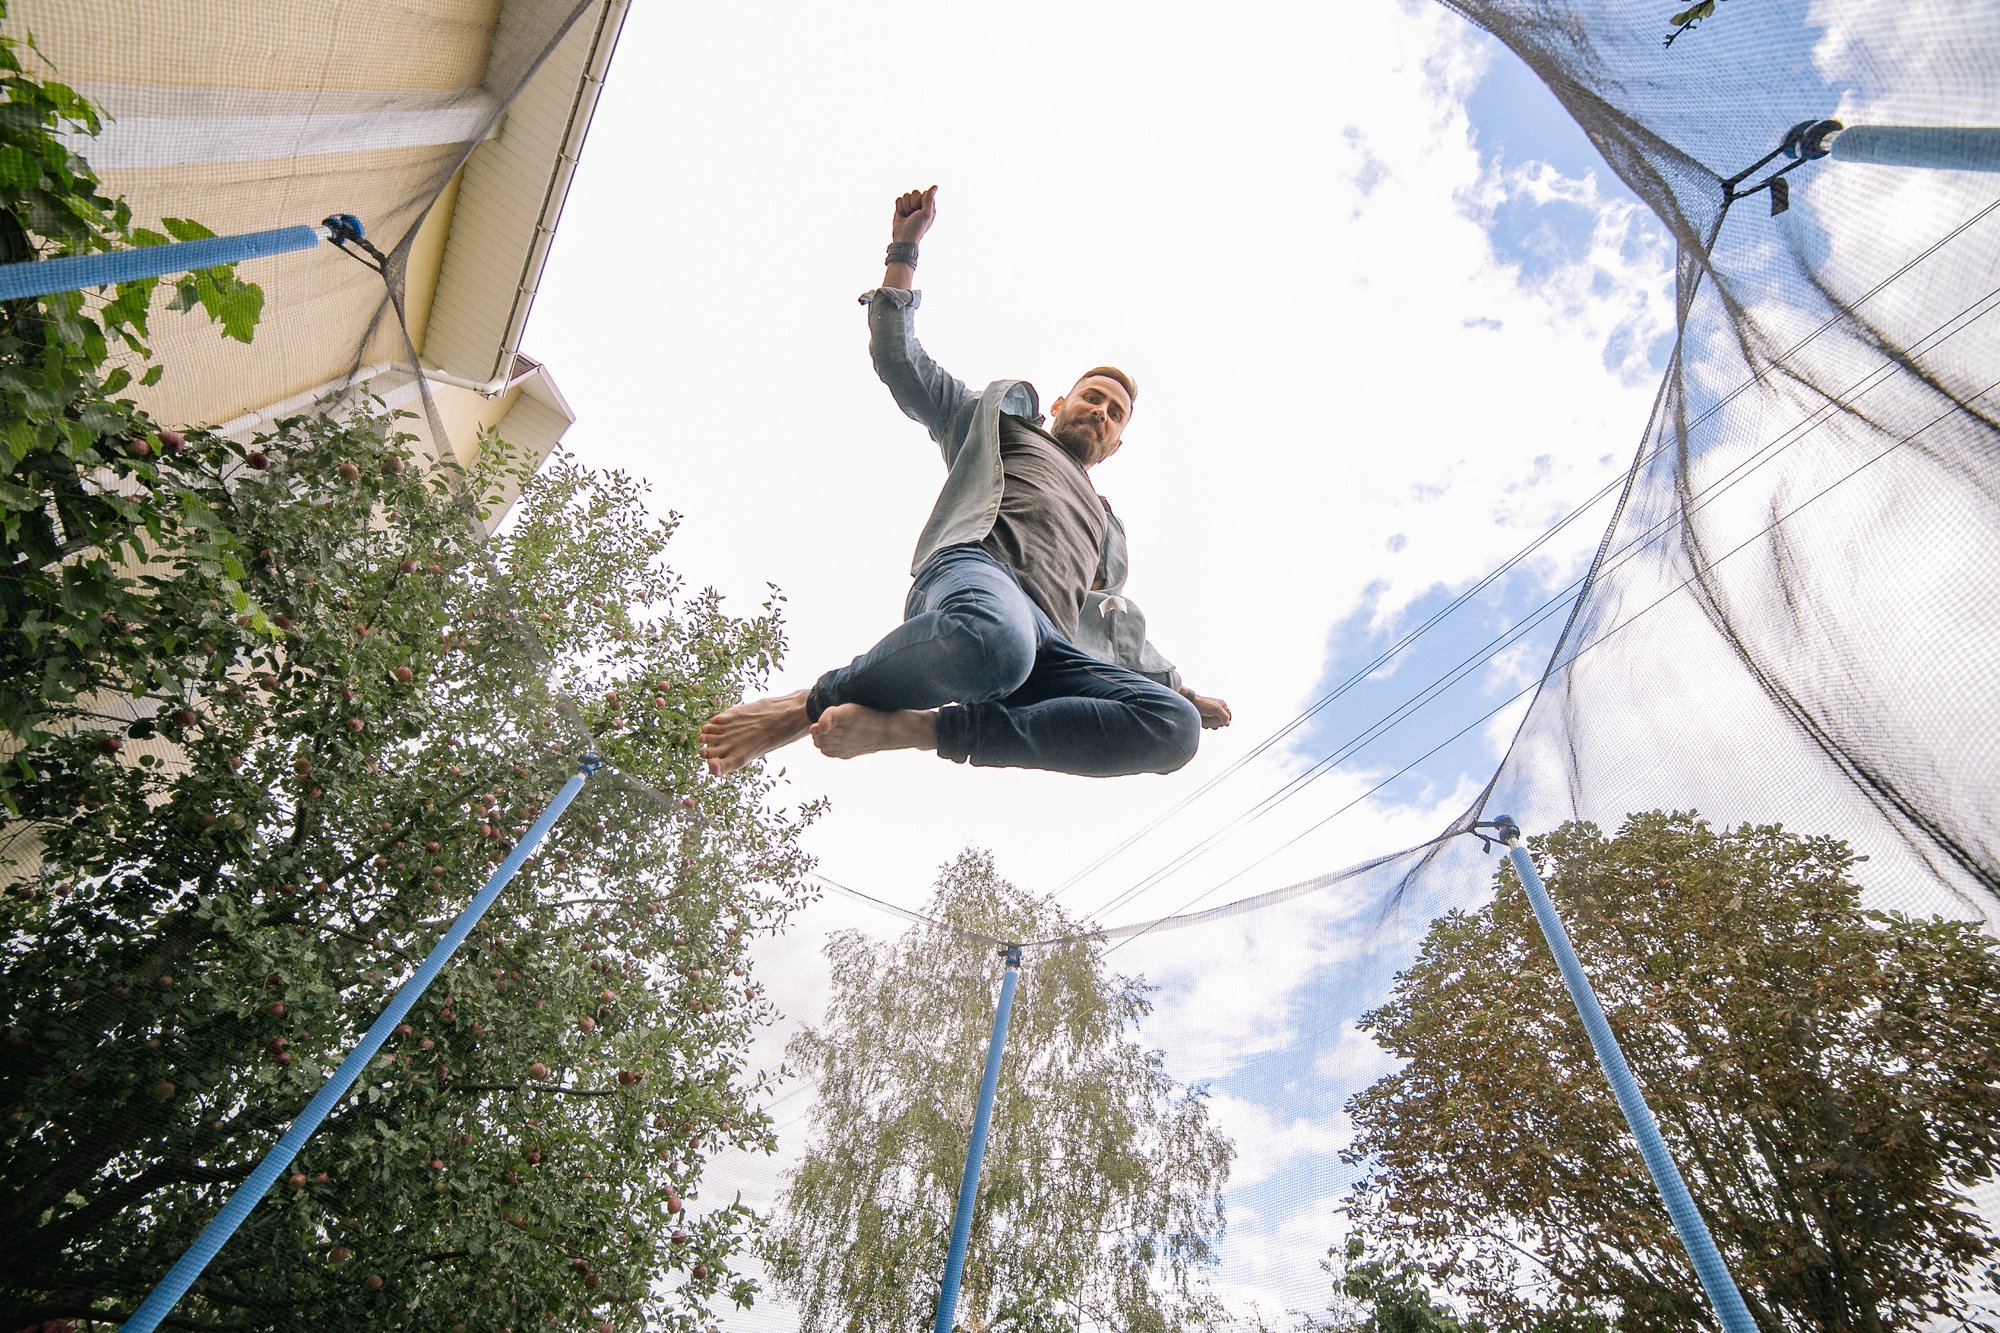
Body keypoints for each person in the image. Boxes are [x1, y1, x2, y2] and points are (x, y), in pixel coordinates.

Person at [700, 185, 1231, 779]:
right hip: (978, 585)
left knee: (1171, 730)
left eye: (1115, 413)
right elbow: (903, 362)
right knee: (998, 642)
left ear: (1118, 442)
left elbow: (1117, 632)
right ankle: (808, 704)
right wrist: (904, 249)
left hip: (1050, 646)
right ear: (1060, 403)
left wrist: (1181, 691)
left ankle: (922, 728)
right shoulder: (998, 427)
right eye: (1092, 397)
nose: (1101, 412)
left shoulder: (1106, 527)